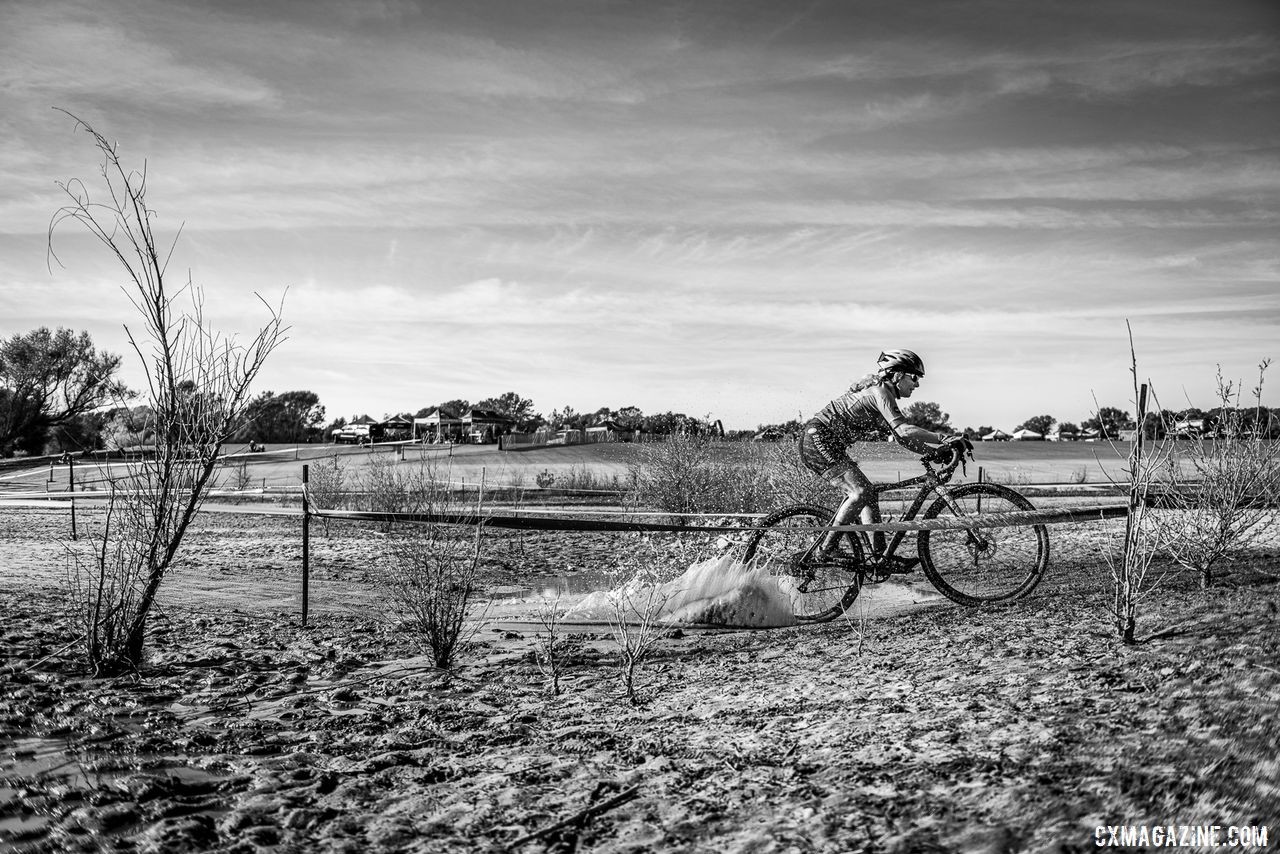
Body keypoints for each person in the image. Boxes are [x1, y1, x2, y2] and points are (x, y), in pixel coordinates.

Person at [799, 348, 967, 570]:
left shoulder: (884, 396)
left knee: (868, 493)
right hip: (816, 439)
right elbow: (905, 430)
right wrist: (944, 438)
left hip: (828, 443)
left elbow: (901, 438)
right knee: (860, 492)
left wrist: (932, 451)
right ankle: (825, 550)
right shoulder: (880, 393)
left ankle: (879, 557)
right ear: (897, 375)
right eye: (914, 377)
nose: (917, 384)